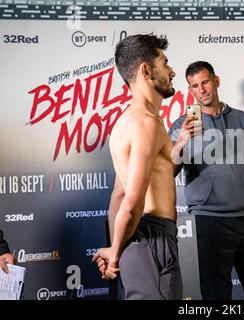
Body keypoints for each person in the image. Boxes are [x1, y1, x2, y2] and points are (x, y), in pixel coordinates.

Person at [169, 61, 244, 300]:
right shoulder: (181, 126)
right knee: (215, 297)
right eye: (194, 86)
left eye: (205, 82)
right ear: (190, 90)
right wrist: (182, 142)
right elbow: (168, 171)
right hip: (207, 222)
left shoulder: (242, 119)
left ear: (216, 81)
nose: (202, 89)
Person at [92, 33, 183, 300]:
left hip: (136, 239)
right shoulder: (146, 123)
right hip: (153, 238)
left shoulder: (125, 122)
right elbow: (132, 201)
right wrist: (116, 252)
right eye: (165, 63)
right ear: (146, 70)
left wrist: (115, 249)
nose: (171, 71)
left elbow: (117, 197)